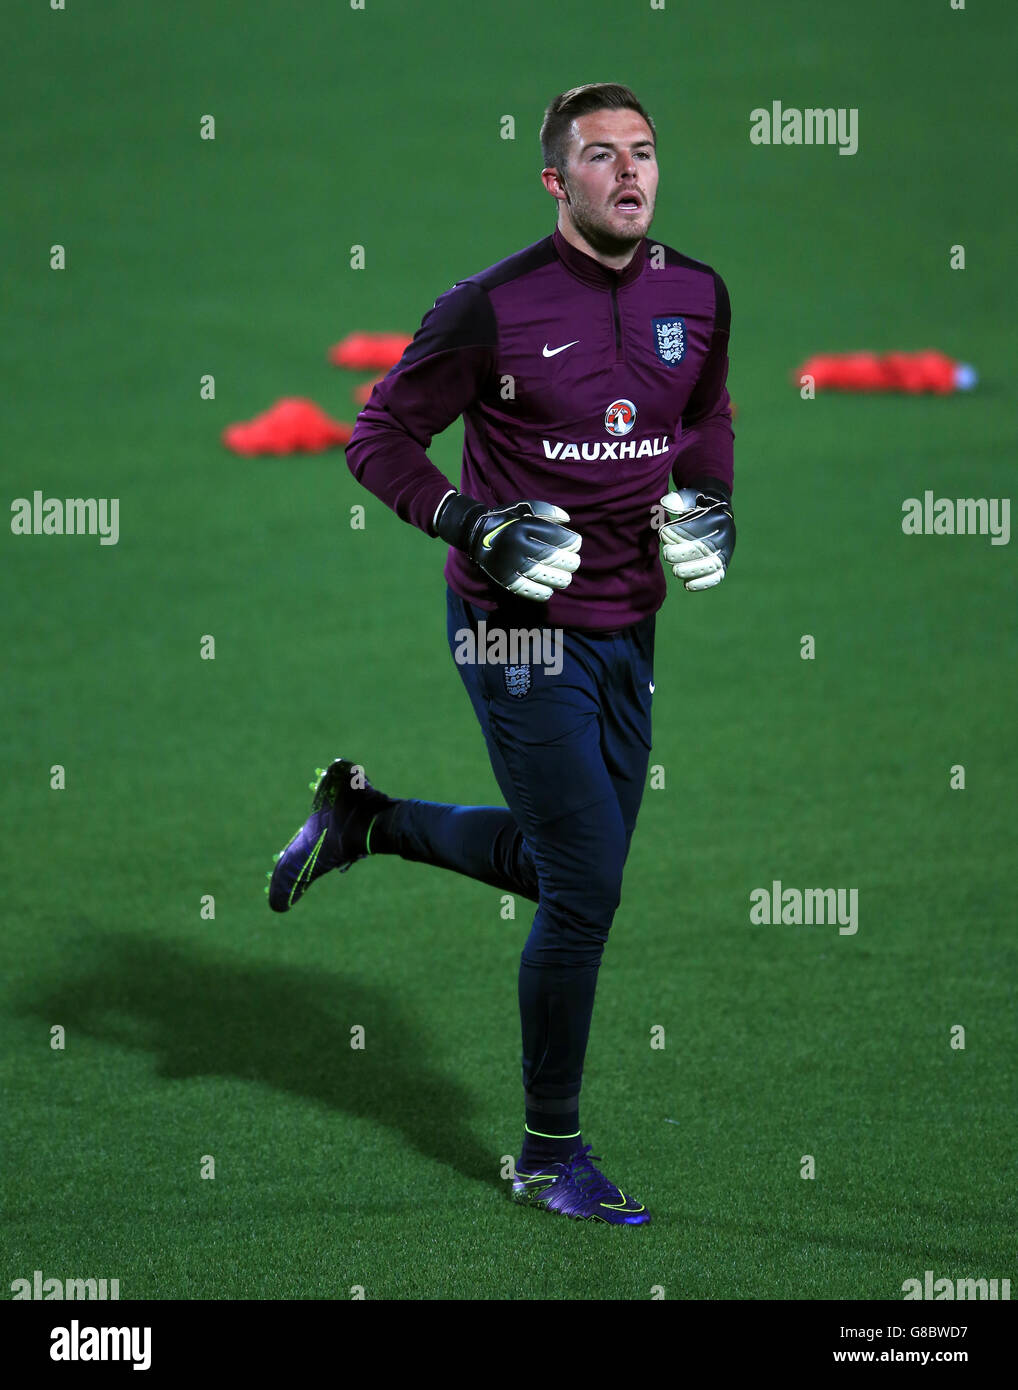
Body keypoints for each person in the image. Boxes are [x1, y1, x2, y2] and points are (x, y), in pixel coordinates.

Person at [267, 83, 736, 1225]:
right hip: (512, 626)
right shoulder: (490, 308)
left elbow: (705, 414)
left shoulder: (697, 293)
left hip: (630, 622)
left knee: (557, 862)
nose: (629, 173)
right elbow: (376, 437)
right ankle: (545, 1152)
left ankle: (362, 819)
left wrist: (711, 500)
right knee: (585, 886)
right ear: (554, 181)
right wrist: (470, 523)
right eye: (601, 157)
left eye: (644, 153)